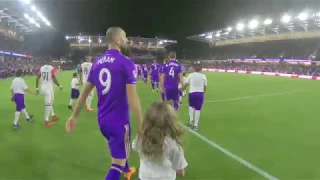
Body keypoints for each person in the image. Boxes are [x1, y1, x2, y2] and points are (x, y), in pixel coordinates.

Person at [66, 27, 143, 180]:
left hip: (103, 120)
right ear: (118, 40)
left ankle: (127, 170)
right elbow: (133, 98)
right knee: (116, 165)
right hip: (119, 121)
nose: (127, 40)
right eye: (125, 37)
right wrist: (142, 124)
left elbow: (84, 93)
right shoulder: (126, 63)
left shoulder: (97, 63)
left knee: (120, 149)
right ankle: (122, 168)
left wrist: (74, 116)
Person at [132, 102, 188, 180]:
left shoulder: (141, 136)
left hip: (144, 177)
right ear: (170, 121)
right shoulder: (173, 144)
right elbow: (180, 169)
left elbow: (134, 146)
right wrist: (181, 172)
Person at [181, 63, 207, 131]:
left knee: (191, 107)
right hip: (200, 93)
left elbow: (186, 84)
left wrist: (181, 89)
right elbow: (205, 87)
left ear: (194, 69)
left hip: (192, 93)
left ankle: (191, 121)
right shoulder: (203, 76)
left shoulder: (191, 75)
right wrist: (203, 94)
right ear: (201, 69)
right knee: (198, 109)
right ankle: (195, 125)